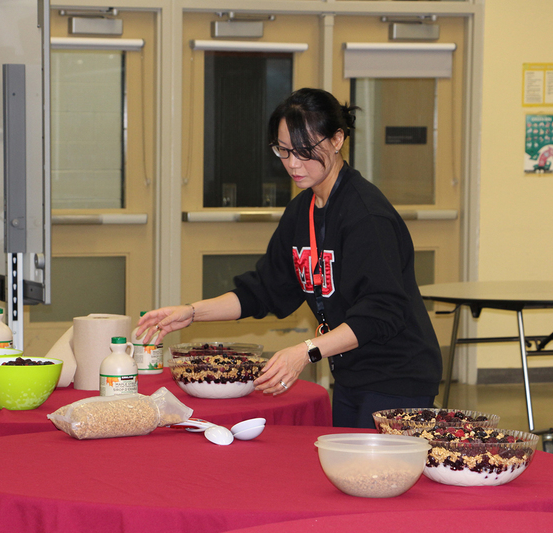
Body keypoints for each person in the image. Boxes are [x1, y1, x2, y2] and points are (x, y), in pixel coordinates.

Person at [136, 88, 442, 429]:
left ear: (338, 139)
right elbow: (264, 289)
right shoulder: (304, 210)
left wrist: (305, 351)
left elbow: (381, 313)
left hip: (398, 379)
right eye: (283, 150)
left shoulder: (366, 215)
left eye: (305, 151)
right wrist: (192, 313)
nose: (293, 164)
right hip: (352, 374)